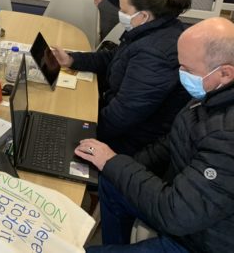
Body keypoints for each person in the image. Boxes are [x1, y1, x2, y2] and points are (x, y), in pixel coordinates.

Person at [74, 17, 234, 252]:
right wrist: (117, 164)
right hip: (183, 202)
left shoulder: (227, 135)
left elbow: (176, 214)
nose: (180, 74)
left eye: (188, 70)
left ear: (225, 73)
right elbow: (173, 141)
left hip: (198, 240)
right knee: (111, 180)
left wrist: (113, 161)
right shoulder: (211, 94)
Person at [53, 0, 191, 155]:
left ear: (143, 15)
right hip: (121, 121)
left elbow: (123, 114)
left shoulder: (154, 54)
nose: (120, 13)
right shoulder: (153, 29)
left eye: (124, 10)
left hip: (132, 141)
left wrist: (83, 133)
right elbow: (114, 57)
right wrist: (72, 60)